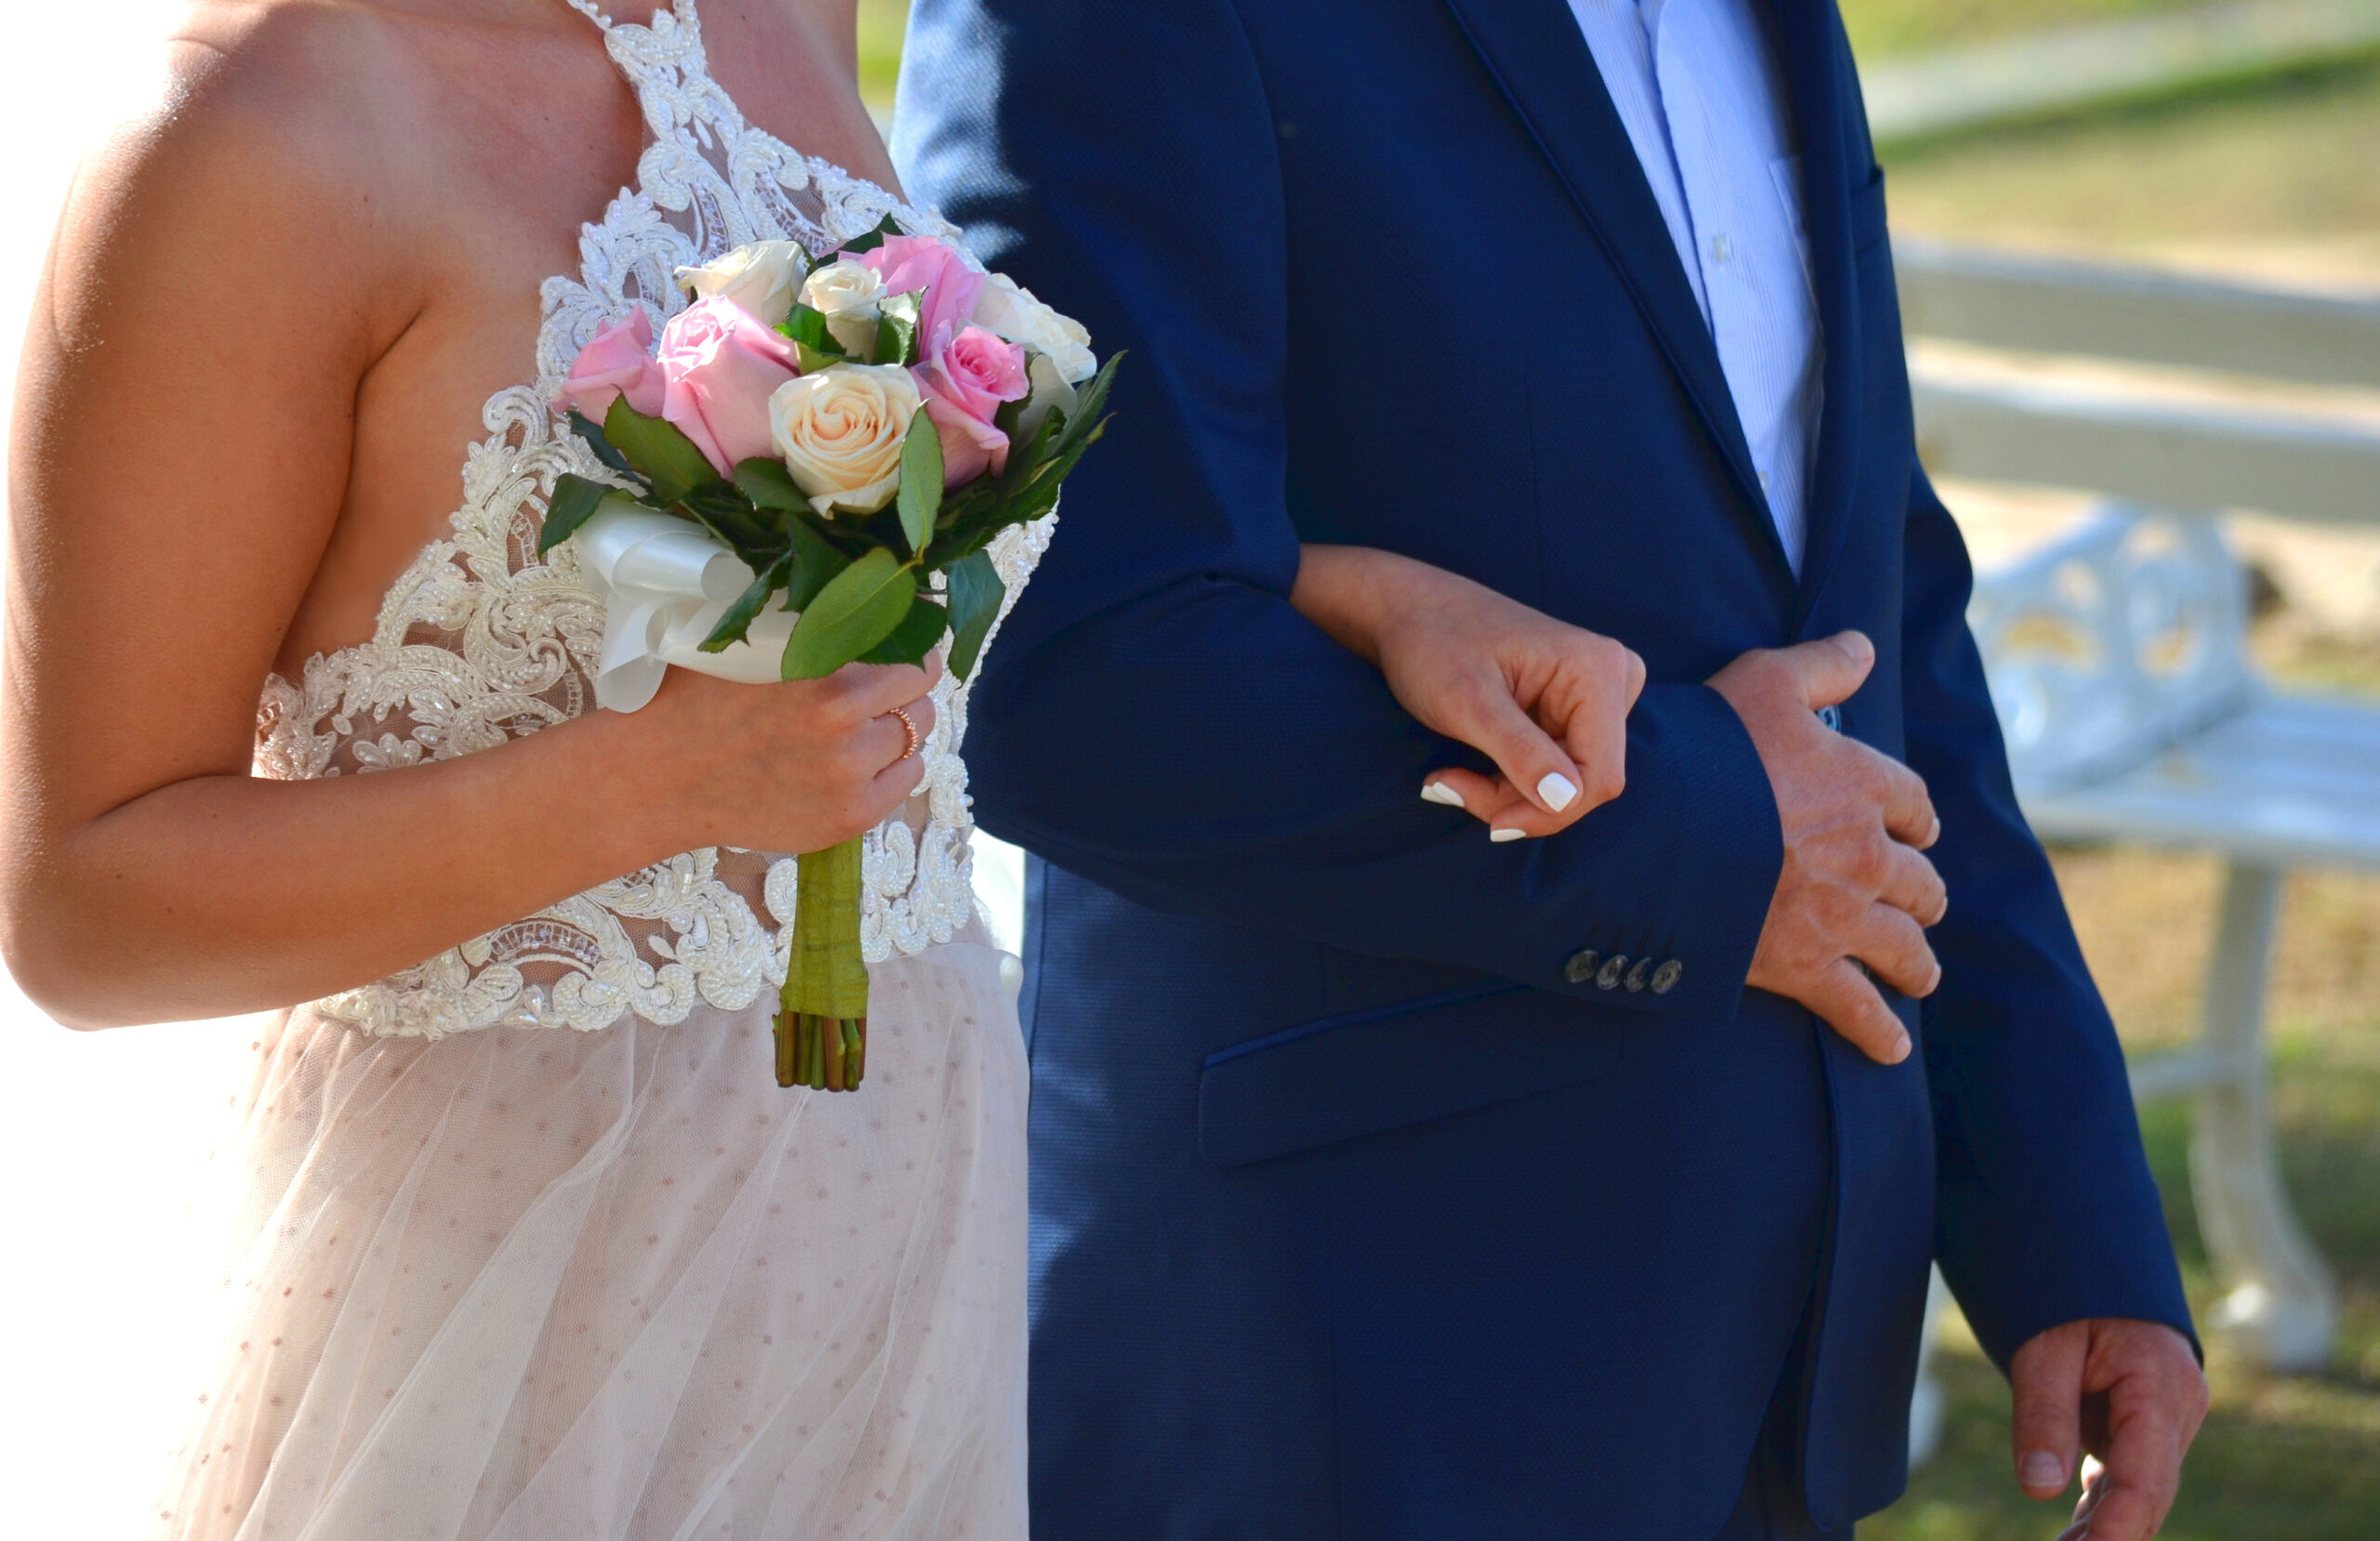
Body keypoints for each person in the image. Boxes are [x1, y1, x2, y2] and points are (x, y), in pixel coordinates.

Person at [892, 0, 2211, 1536]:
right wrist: (1715, 844)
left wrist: (2063, 1209)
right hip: (1354, 1364)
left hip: (1776, 1359)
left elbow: (1869, 604)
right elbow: (1062, 665)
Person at [3, 2, 1032, 1534]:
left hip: (896, 1219)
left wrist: (1349, 591)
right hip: (496, 1291)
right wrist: (654, 781)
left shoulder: (792, 11)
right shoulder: (247, 134)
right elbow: (82, 905)